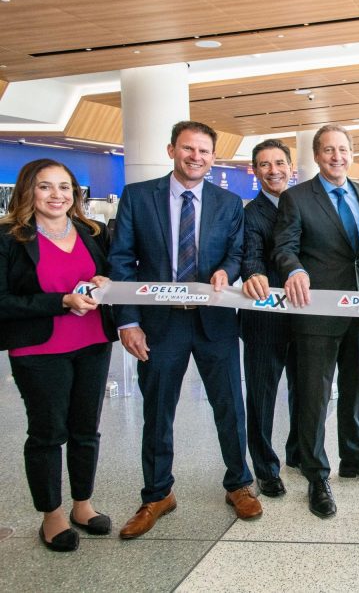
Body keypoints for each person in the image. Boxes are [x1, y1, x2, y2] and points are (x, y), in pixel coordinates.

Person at [109, 121, 262, 540]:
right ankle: (158, 493)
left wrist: (225, 271)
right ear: (171, 149)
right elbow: (121, 261)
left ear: (213, 157)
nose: (196, 157)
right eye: (188, 149)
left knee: (230, 405)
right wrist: (128, 320)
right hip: (160, 324)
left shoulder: (229, 203)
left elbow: (236, 252)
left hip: (214, 322)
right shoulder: (139, 198)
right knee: (158, 410)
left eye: (205, 151)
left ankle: (239, 484)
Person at [0, 159, 117, 552]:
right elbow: (3, 301)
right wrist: (61, 301)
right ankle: (51, 515)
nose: (57, 195)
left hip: (92, 342)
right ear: (27, 191)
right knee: (48, 432)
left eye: (65, 187)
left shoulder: (91, 232)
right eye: (46, 187)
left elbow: (107, 276)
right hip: (39, 349)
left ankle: (83, 505)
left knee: (86, 430)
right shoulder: (10, 237)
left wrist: (105, 282)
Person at [274, 124, 359, 519]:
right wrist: (294, 270)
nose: (336, 157)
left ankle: (353, 457)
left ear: (352, 154)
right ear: (317, 156)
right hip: (318, 312)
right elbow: (285, 246)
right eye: (328, 150)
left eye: (343, 150)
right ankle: (316, 474)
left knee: (355, 391)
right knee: (315, 397)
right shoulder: (296, 198)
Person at [239, 139, 299, 498]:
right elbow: (250, 255)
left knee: (305, 394)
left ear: (291, 167)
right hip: (264, 320)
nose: (273, 170)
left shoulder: (306, 204)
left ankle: (299, 454)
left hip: (306, 318)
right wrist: (252, 274)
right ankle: (265, 468)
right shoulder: (250, 213)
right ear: (255, 171)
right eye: (264, 164)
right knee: (261, 396)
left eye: (279, 163)